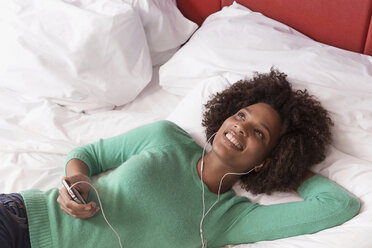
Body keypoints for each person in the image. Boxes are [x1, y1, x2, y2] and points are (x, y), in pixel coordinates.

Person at [0, 69, 360, 248]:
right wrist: (76, 181)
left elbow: (337, 205)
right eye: (241, 116)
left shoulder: (231, 219)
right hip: (24, 220)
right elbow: (88, 154)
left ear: (268, 158)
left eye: (260, 134)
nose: (241, 128)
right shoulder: (166, 137)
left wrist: (288, 172)